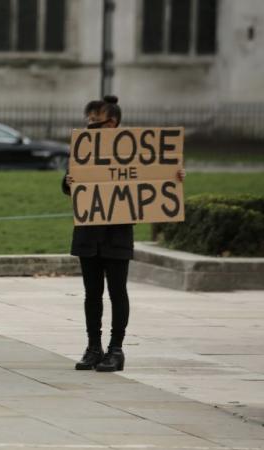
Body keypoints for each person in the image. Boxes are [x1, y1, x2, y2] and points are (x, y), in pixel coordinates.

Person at [63, 95, 185, 372]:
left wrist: (174, 177)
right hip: (88, 234)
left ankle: (116, 349)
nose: (89, 125)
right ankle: (94, 347)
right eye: (88, 120)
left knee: (117, 291)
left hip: (117, 234)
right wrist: (69, 180)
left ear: (112, 123)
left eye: (94, 121)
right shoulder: (82, 149)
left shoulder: (135, 151)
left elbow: (156, 176)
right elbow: (69, 184)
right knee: (91, 293)